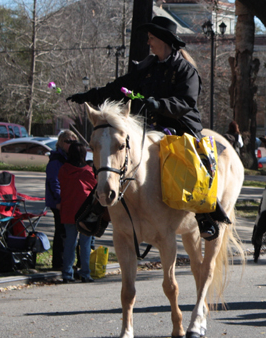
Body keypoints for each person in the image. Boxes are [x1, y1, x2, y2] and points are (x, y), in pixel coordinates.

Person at [66, 15, 228, 240]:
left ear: (164, 40)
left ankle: (205, 214)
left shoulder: (186, 70)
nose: (149, 42)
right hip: (147, 125)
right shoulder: (146, 68)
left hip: (178, 125)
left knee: (193, 158)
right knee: (117, 157)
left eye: (152, 38)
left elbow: (186, 103)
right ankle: (98, 208)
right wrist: (90, 95)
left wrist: (157, 103)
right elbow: (117, 88)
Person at [58, 142, 96, 282]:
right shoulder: (88, 171)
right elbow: (94, 188)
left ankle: (67, 273)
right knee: (85, 243)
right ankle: (85, 273)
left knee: (70, 242)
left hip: (68, 209)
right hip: (85, 210)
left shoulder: (64, 169)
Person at [45, 130, 77, 271]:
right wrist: (58, 200)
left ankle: (64, 261)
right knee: (61, 232)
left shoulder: (69, 158)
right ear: (61, 142)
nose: (71, 145)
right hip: (58, 201)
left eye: (73, 142)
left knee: (65, 232)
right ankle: (58, 263)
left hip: (67, 200)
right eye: (68, 142)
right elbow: (54, 182)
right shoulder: (56, 159)